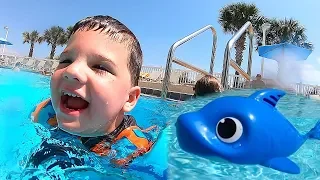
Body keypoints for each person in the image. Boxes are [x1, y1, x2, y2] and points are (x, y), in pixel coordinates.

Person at [30, 15, 158, 168]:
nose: (71, 70)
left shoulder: (132, 147)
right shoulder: (46, 112)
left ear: (129, 99)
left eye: (100, 67)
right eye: (66, 61)